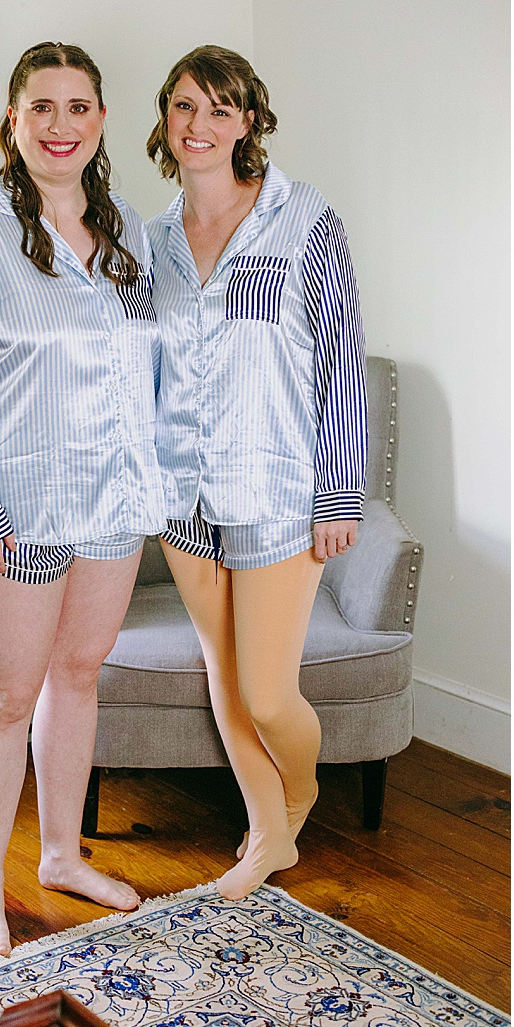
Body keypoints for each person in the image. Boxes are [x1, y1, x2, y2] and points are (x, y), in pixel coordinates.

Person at [0, 42, 168, 956]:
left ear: (101, 120)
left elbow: (149, 363)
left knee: (78, 675)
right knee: (8, 694)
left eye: (79, 107)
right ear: (13, 120)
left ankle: (61, 855)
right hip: (17, 500)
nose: (61, 126)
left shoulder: (130, 230)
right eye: (43, 108)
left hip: (113, 496)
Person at [146, 46, 367, 898]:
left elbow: (340, 364)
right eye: (184, 107)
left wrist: (336, 492)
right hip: (182, 489)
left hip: (278, 486)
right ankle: (269, 839)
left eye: (220, 109)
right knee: (226, 682)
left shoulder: (305, 220)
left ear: (249, 123)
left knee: (271, 697)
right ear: (166, 118)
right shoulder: (153, 237)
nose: (200, 126)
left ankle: (301, 793)